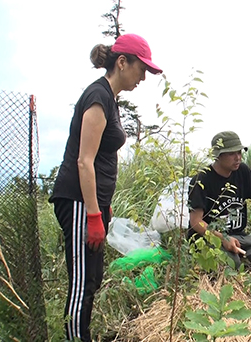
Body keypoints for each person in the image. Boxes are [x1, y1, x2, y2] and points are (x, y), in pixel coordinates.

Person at [49, 33, 162, 342]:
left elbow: (99, 159)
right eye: (141, 69)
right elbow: (84, 161)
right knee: (83, 281)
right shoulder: (98, 97)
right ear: (122, 62)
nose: (143, 77)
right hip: (76, 201)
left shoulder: (109, 99)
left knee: (94, 277)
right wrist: (93, 215)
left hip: (91, 202)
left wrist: (103, 205)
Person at [187, 131, 251, 269]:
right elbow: (196, 222)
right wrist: (222, 239)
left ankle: (244, 260)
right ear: (218, 156)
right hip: (208, 238)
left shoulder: (243, 171)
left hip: (237, 236)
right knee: (233, 264)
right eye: (232, 154)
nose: (238, 158)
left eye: (239, 152)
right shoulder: (201, 180)